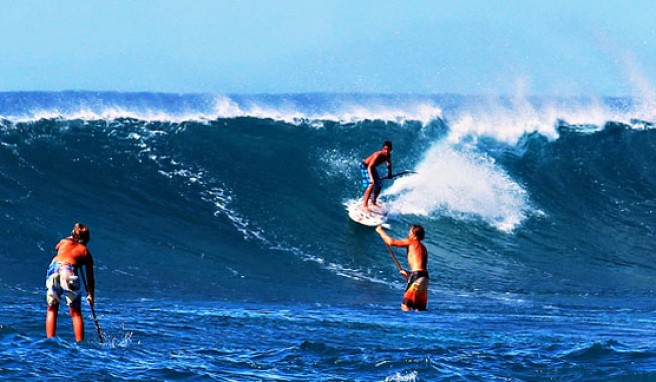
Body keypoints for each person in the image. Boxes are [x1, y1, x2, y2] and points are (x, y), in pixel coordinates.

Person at [45, 223, 95, 342]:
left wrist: (71, 238)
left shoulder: (64, 242)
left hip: (54, 269)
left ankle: (50, 340)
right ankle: (79, 343)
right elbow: (90, 278)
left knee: (52, 309)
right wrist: (90, 295)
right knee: (76, 313)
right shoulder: (85, 252)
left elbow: (57, 247)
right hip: (68, 271)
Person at [375, 224, 429, 311]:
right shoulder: (423, 247)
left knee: (405, 306)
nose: (408, 232)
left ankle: (407, 324)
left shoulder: (411, 241)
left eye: (410, 230)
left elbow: (391, 242)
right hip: (425, 277)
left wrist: (380, 231)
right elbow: (420, 266)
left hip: (417, 276)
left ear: (413, 233)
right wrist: (408, 273)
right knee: (419, 309)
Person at [360, 141, 393, 212]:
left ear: (391, 149)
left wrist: (390, 173)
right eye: (385, 149)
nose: (386, 151)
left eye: (388, 149)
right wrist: (372, 179)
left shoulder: (388, 155)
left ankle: (373, 202)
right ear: (382, 149)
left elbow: (389, 164)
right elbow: (369, 167)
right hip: (365, 166)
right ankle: (365, 206)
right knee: (372, 184)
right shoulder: (377, 154)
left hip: (372, 167)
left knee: (379, 185)